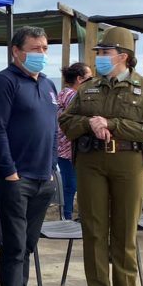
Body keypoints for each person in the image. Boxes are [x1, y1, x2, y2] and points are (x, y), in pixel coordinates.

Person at [59, 27, 143, 286]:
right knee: (94, 230)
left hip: (128, 162)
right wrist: (90, 122)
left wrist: (113, 123)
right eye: (100, 54)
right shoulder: (88, 87)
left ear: (123, 56)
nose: (101, 58)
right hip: (91, 161)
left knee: (125, 231)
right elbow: (66, 122)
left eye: (105, 53)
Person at [0, 26, 60, 286]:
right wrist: (9, 172)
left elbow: (53, 128)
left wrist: (54, 165)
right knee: (14, 248)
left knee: (27, 246)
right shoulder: (4, 83)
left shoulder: (48, 85)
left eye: (45, 48)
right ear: (16, 51)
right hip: (17, 180)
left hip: (44, 178)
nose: (42, 53)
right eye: (35, 48)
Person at [56, 62, 92, 221]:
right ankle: (68, 216)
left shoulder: (63, 93)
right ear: (79, 79)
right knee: (71, 186)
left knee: (69, 184)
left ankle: (67, 214)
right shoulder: (73, 96)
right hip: (70, 149)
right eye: (89, 77)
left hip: (61, 147)